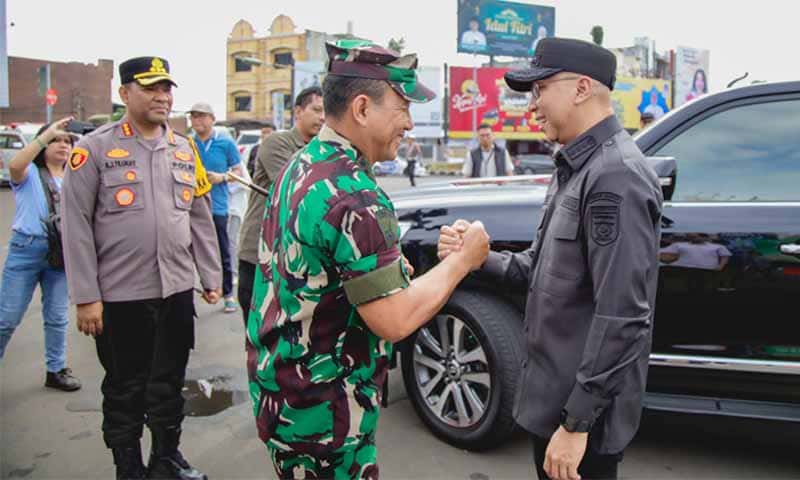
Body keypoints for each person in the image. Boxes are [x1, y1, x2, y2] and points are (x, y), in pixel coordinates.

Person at [246, 39, 490, 479]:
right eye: (403, 108)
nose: (410, 123)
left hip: (285, 396)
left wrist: (390, 271)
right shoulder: (355, 196)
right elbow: (395, 320)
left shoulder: (303, 165)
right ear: (361, 108)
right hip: (327, 415)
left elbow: (319, 272)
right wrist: (462, 261)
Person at [440, 37, 663, 480]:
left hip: (579, 423)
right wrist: (478, 257)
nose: (532, 105)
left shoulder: (615, 176)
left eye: (540, 89)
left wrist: (576, 423)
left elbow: (622, 315)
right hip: (553, 405)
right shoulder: (577, 167)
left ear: (581, 88)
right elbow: (541, 272)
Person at [61, 56, 222, 480]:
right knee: (125, 387)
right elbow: (75, 225)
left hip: (175, 290)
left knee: (168, 383)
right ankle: (128, 468)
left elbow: (199, 215)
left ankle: (166, 458)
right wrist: (86, 296)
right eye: (150, 87)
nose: (162, 96)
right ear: (124, 93)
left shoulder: (184, 148)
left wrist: (211, 276)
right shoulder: (93, 149)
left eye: (166, 88)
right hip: (120, 296)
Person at [0, 118, 81, 392]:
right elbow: (14, 165)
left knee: (57, 317)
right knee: (7, 318)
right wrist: (47, 134)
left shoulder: (75, 177)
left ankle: (56, 370)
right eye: (56, 141)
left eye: (67, 141)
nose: (63, 145)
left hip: (60, 253)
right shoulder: (30, 174)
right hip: (26, 250)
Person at [237, 86, 324, 327]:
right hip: (260, 256)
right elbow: (300, 189)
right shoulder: (277, 143)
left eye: (327, 112)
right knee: (259, 332)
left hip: (296, 260)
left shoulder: (324, 149)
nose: (323, 118)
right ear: (298, 111)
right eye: (317, 110)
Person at [189, 102, 242, 314]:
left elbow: (238, 172)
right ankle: (196, 293)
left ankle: (228, 294)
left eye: (202, 116)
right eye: (194, 116)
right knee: (186, 252)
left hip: (218, 206)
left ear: (212, 119)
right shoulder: (187, 143)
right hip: (190, 207)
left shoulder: (225, 143)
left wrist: (222, 177)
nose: (197, 120)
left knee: (222, 251)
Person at [227, 159, 252, 283]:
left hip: (235, 209)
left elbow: (247, 183)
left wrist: (228, 187)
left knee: (232, 241)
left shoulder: (238, 164)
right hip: (223, 208)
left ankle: (233, 272)